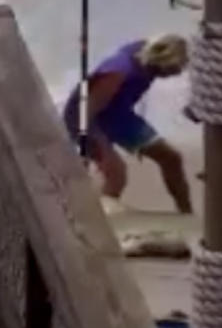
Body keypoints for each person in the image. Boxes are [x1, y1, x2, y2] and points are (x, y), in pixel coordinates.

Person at [62, 35, 193, 214]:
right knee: (117, 174)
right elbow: (87, 113)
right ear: (161, 62)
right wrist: (104, 151)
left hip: (118, 113)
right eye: (171, 70)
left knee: (171, 158)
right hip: (85, 117)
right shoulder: (118, 72)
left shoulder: (143, 50)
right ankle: (99, 219)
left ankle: (186, 212)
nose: (171, 75)